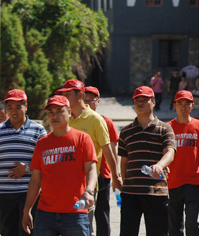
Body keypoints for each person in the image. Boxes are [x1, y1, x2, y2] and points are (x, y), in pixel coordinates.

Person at [22, 95, 98, 236]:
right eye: (50, 112)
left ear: (69, 112)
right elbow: (35, 180)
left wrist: (89, 191)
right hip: (46, 214)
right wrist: (27, 210)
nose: (54, 116)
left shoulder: (82, 139)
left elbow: (91, 169)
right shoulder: (42, 143)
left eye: (59, 111)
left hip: (75, 212)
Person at [58, 79, 122, 236]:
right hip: (65, 184)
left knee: (85, 227)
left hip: (88, 184)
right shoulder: (63, 118)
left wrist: (115, 176)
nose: (65, 97)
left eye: (68, 94)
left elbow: (108, 150)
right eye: (63, 94)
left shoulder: (96, 120)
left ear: (80, 95)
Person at [118, 86, 177, 236]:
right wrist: (126, 185)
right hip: (131, 194)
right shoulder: (125, 132)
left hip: (156, 192)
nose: (140, 102)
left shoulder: (165, 129)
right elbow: (124, 161)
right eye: (137, 100)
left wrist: (160, 165)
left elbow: (170, 153)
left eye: (145, 99)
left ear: (153, 102)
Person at [0, 90, 47, 236]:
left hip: (29, 195)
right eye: (10, 107)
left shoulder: (38, 130)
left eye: (18, 107)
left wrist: (27, 169)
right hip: (3, 195)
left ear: (26, 107)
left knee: (28, 232)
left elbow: (46, 161)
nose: (14, 112)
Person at [167, 90, 199, 236]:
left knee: (191, 223)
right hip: (172, 181)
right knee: (174, 226)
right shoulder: (167, 127)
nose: (183, 107)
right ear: (174, 105)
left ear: (192, 105)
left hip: (193, 181)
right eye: (180, 103)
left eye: (187, 103)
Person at [84, 86, 120, 236]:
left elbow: (113, 149)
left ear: (98, 102)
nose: (87, 103)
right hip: (83, 174)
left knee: (102, 214)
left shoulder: (106, 121)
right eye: (84, 99)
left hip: (103, 173)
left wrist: (115, 173)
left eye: (91, 100)